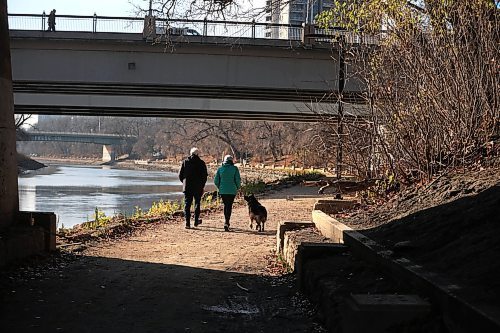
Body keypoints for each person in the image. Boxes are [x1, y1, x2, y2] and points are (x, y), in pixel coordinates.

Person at [179, 147, 208, 229]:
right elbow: (204, 176)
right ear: (198, 154)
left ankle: (187, 223)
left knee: (187, 204)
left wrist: (184, 182)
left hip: (187, 187)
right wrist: (202, 185)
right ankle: (196, 221)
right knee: (197, 204)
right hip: (198, 187)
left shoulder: (185, 162)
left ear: (190, 153)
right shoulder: (201, 163)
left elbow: (180, 175)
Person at [214, 155, 241, 231]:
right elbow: (238, 180)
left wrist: (220, 187)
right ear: (231, 161)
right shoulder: (235, 169)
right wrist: (238, 187)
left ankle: (226, 222)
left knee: (226, 205)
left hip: (223, 191)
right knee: (229, 205)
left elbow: (216, 181)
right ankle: (227, 222)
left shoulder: (220, 169)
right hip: (232, 190)